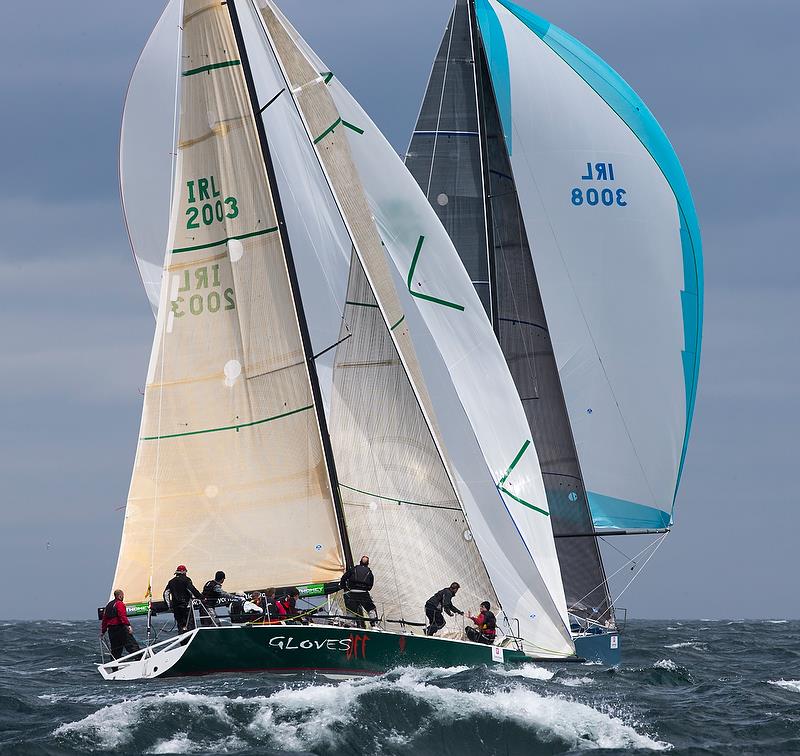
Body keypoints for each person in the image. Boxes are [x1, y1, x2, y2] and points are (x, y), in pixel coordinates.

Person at [100, 589, 141, 659]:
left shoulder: (108, 605)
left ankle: (114, 667)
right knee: (132, 645)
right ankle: (139, 659)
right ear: (120, 596)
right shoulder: (119, 604)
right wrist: (128, 625)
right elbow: (122, 616)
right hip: (120, 628)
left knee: (115, 650)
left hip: (111, 630)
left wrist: (103, 631)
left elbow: (105, 619)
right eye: (122, 596)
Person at [340, 555, 378, 628]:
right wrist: (366, 589)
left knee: (351, 610)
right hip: (364, 593)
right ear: (367, 563)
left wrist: (344, 587)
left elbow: (344, 578)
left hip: (352, 592)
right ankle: (374, 625)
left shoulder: (353, 569)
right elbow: (371, 584)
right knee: (370, 609)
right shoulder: (369, 572)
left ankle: (349, 624)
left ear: (360, 562)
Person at [164, 565, 203, 632]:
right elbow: (192, 590)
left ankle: (183, 640)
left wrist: (169, 606)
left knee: (181, 626)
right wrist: (200, 597)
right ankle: (191, 640)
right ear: (184, 572)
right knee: (189, 626)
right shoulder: (187, 580)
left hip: (176, 607)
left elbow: (166, 594)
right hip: (186, 607)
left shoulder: (171, 581)